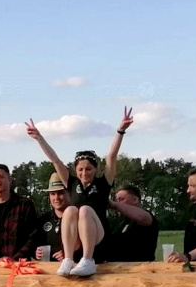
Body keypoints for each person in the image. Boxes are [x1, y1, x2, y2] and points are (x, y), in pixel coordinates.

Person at [25, 107, 131, 276]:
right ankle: (68, 259)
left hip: (98, 238)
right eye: (80, 169)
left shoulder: (103, 183)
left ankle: (88, 260)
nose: (84, 173)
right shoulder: (72, 183)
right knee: (71, 210)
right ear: (75, 170)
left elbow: (111, 156)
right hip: (77, 242)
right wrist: (39, 138)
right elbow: (55, 160)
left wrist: (120, 131)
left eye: (88, 169)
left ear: (95, 169)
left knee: (84, 210)